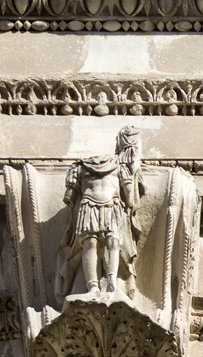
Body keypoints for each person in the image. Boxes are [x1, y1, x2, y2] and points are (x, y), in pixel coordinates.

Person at [59, 127, 144, 297]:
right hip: (93, 206)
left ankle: (110, 281)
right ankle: (93, 286)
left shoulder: (111, 166)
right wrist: (131, 202)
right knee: (95, 243)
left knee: (111, 242)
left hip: (104, 206)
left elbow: (69, 196)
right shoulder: (83, 167)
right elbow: (129, 195)